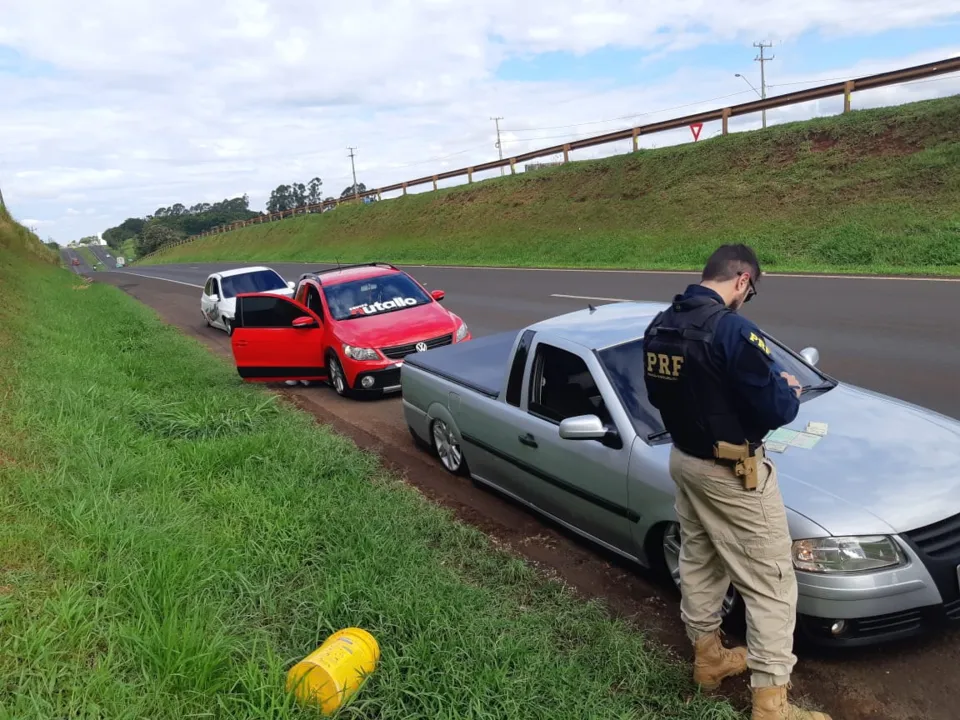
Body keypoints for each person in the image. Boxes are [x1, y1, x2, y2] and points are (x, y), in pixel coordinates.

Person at [642, 244, 831, 720]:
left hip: (684, 460)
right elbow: (775, 409)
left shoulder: (660, 326)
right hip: (733, 473)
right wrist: (786, 392)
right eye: (751, 290)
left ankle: (708, 660)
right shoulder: (731, 329)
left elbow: (663, 393)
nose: (747, 299)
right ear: (743, 280)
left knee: (701, 559)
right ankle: (772, 705)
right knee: (771, 582)